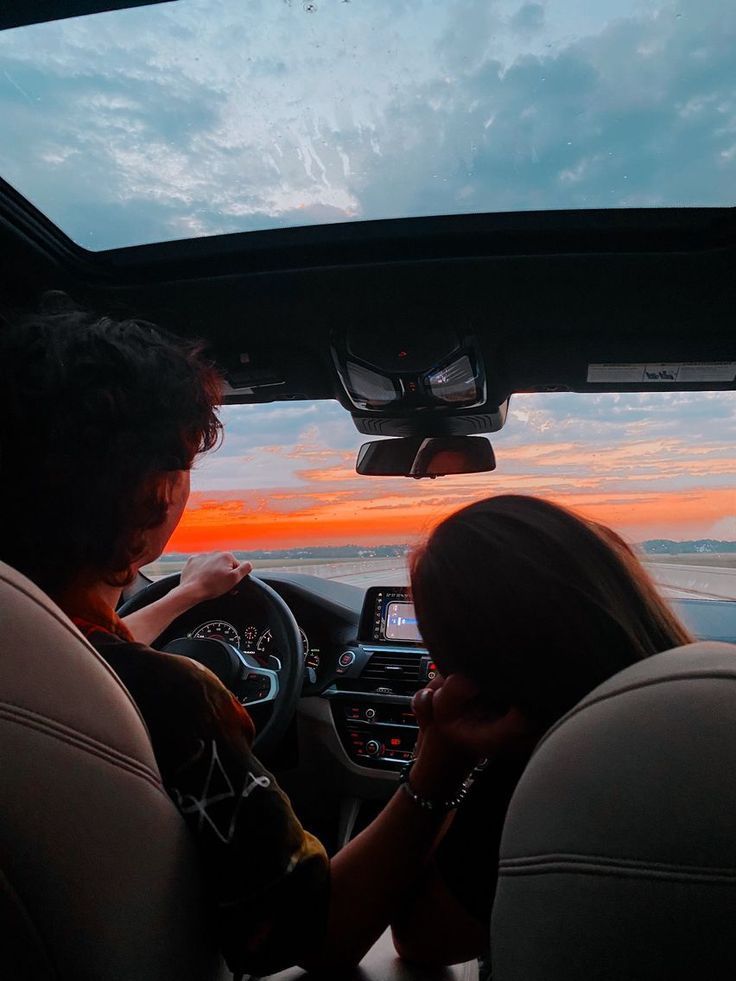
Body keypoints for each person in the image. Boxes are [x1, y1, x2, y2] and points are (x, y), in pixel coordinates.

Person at [0, 300, 508, 976]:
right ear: (156, 492)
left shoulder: (34, 652)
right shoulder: (182, 697)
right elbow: (311, 936)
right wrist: (438, 762)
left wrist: (187, 594)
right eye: (184, 464)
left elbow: (89, 653)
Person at [391, 494, 695, 967]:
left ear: (472, 670)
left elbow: (423, 941)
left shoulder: (548, 765)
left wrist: (439, 763)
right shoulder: (705, 702)